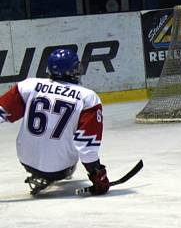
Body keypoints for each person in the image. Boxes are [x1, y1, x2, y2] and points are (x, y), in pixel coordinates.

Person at [0, 48, 109, 196]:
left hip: (26, 160)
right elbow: (86, 147)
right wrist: (98, 175)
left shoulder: (28, 85)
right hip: (60, 169)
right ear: (72, 71)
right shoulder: (88, 98)